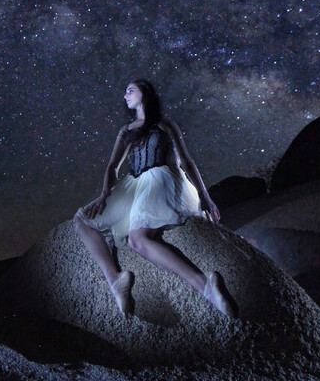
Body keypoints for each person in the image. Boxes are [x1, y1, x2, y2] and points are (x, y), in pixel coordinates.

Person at [73, 79, 237, 318]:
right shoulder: (126, 130)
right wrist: (104, 194)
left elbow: (187, 161)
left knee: (137, 239)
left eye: (130, 90)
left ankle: (205, 286)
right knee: (82, 220)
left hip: (161, 179)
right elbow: (111, 167)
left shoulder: (166, 125)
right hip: (134, 184)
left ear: (145, 94)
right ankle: (115, 280)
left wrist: (205, 196)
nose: (125, 95)